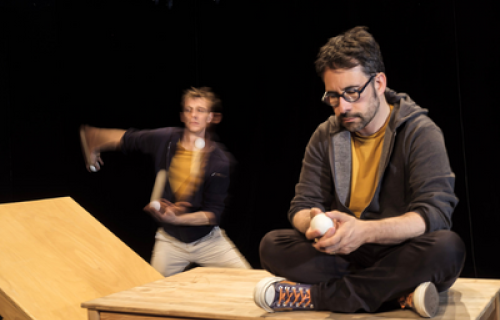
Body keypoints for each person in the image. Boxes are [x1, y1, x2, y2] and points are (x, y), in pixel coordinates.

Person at [253, 27, 465, 318]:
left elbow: (435, 214)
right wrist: (315, 222)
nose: (343, 106)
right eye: (333, 96)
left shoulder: (419, 132)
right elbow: (301, 206)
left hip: (399, 251)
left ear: (378, 82)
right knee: (272, 246)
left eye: (352, 92)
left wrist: (365, 231)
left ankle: (315, 296)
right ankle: (398, 294)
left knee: (447, 249)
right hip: (345, 254)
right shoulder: (325, 135)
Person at [80, 87, 251, 277]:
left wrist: (178, 217)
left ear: (211, 117)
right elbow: (128, 139)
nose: (194, 115)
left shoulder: (220, 161)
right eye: (189, 110)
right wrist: (93, 141)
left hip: (208, 241)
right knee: (151, 294)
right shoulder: (166, 139)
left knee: (249, 281)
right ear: (182, 116)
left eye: (200, 110)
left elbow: (212, 214)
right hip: (170, 242)